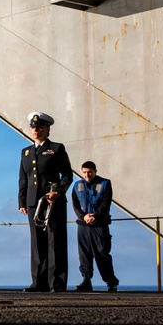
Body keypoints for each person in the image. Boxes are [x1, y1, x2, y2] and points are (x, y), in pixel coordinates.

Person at [18, 111, 73, 292]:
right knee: (37, 243)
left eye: (40, 127)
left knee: (54, 241)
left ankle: (56, 283)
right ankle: (38, 282)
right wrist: (22, 202)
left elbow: (67, 176)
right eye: (34, 127)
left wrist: (57, 192)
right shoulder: (26, 152)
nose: (36, 130)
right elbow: (23, 179)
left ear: (47, 129)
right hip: (34, 203)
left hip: (52, 202)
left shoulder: (56, 149)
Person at [72, 161, 119, 292]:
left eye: (90, 172)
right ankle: (86, 280)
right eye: (85, 172)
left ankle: (111, 283)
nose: (87, 175)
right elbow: (75, 205)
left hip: (100, 225)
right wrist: (84, 217)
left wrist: (95, 216)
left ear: (95, 171)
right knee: (84, 254)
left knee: (102, 252)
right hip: (83, 226)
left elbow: (105, 203)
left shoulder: (105, 184)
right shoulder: (77, 185)